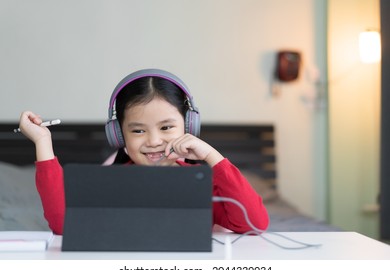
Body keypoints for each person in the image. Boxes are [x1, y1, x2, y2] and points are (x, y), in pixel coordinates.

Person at [18, 69, 269, 235]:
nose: (154, 141)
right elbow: (64, 225)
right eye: (138, 131)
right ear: (119, 135)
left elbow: (254, 223)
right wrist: (43, 142)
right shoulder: (108, 183)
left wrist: (212, 157)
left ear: (189, 126)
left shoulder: (205, 185)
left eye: (167, 127)